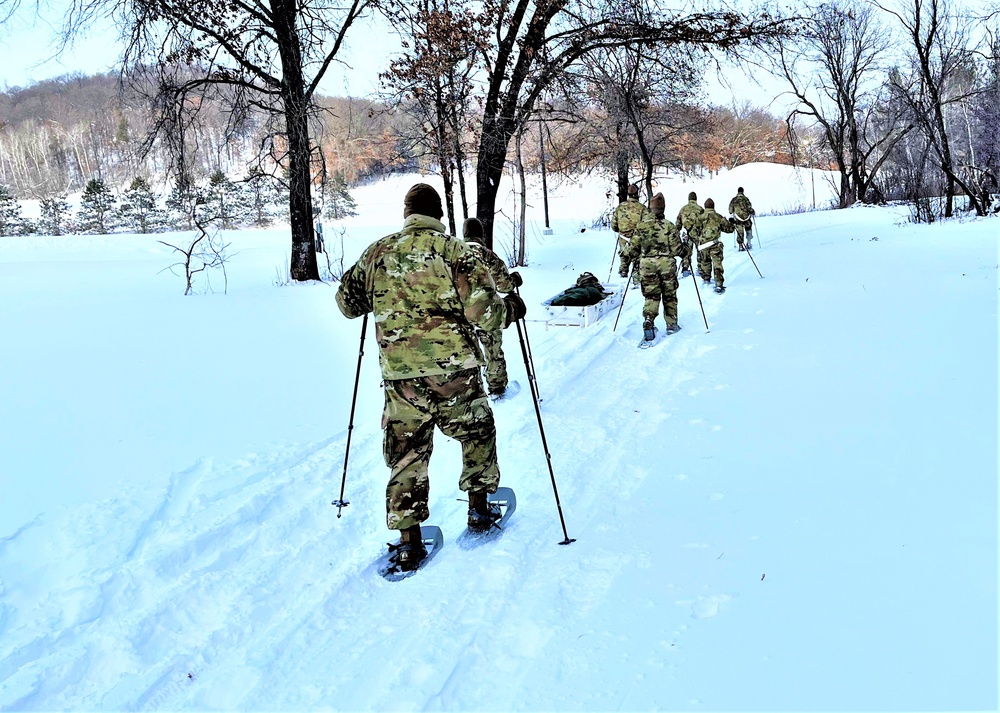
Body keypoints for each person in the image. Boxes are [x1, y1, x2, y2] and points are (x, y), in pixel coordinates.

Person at [335, 183, 527, 571]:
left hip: (400, 376)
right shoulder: (456, 252)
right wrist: (512, 309)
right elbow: (485, 314)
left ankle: (408, 541)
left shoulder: (377, 252)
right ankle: (478, 508)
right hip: (454, 370)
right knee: (476, 432)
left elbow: (346, 304)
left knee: (407, 453)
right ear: (438, 214)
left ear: (406, 214)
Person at [462, 217, 523, 398]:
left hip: (460, 315)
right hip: (486, 312)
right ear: (480, 234)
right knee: (493, 350)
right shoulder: (487, 255)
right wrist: (514, 281)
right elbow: (504, 285)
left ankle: (469, 391)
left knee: (465, 353)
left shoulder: (453, 252)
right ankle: (496, 388)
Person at [625, 192, 686, 340]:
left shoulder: (641, 226)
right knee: (669, 295)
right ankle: (671, 325)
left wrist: (627, 260)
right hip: (667, 265)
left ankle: (649, 320)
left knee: (651, 295)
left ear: (650, 208)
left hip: (647, 265)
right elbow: (678, 249)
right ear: (663, 208)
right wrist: (686, 251)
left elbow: (632, 249)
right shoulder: (669, 226)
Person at [612, 184, 652, 281]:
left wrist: (621, 231)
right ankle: (636, 274)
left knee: (624, 254)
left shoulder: (620, 207)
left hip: (623, 237)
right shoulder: (642, 208)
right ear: (637, 194)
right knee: (637, 257)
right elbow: (648, 225)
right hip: (637, 239)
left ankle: (623, 270)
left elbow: (614, 225)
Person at [696, 198, 736, 294]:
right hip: (715, 244)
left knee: (705, 261)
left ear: (705, 207)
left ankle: (706, 279)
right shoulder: (718, 217)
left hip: (703, 244)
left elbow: (695, 231)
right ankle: (718, 283)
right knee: (717, 263)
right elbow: (729, 229)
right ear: (713, 206)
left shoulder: (700, 218)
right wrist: (732, 223)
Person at [674, 191, 703, 277]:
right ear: (696, 199)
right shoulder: (700, 209)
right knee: (700, 250)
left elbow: (678, 223)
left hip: (687, 233)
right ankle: (700, 268)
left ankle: (685, 269)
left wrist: (677, 232)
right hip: (698, 234)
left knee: (687, 250)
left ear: (689, 199)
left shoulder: (683, 209)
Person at [728, 187, 755, 251]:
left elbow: (730, 211)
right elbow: (749, 208)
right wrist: (752, 212)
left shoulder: (734, 200)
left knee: (740, 231)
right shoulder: (746, 199)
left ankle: (740, 245)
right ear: (743, 191)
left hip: (738, 219)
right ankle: (749, 243)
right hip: (747, 218)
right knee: (748, 228)